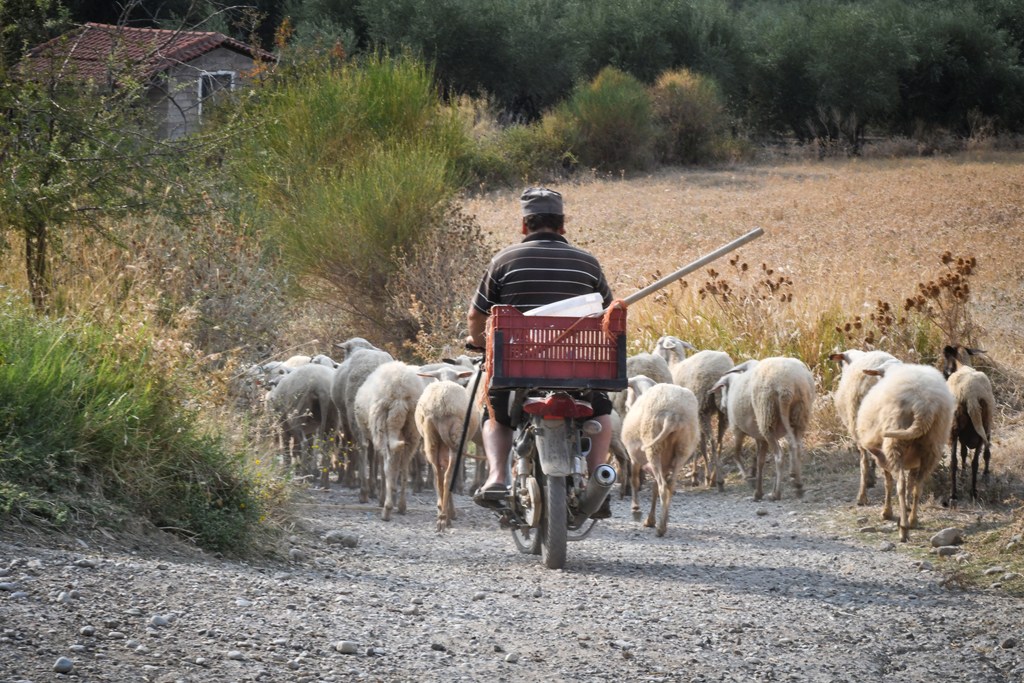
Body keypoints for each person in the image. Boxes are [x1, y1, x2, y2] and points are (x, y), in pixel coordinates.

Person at [465, 186, 616, 518]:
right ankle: (597, 475)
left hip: (518, 368)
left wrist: (477, 340)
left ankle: (497, 476)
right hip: (579, 368)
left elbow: (477, 316)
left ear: (524, 225)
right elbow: (606, 314)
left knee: (495, 413)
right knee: (601, 410)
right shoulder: (587, 263)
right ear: (563, 225)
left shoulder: (504, 261)